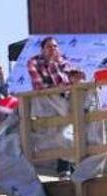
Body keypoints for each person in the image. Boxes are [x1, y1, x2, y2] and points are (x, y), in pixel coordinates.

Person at [26, 36, 76, 179]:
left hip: (63, 102)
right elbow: (40, 85)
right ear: (42, 49)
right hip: (46, 103)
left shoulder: (64, 61)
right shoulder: (34, 62)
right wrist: (56, 70)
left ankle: (66, 167)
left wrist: (65, 81)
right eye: (49, 47)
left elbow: (72, 80)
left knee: (66, 132)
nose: (52, 49)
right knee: (57, 133)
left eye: (55, 46)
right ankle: (65, 168)